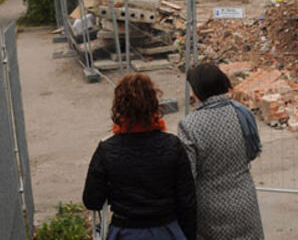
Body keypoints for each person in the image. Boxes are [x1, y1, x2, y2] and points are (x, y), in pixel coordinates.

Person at [82, 73, 196, 240]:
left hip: (126, 231)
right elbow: (187, 202)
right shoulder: (173, 145)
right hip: (166, 231)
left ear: (119, 107)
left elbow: (92, 200)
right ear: (154, 103)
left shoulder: (107, 149)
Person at [178, 62, 264, 240]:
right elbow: (252, 152)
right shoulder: (243, 113)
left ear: (198, 90)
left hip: (210, 209)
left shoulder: (189, 125)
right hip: (245, 201)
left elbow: (188, 174)